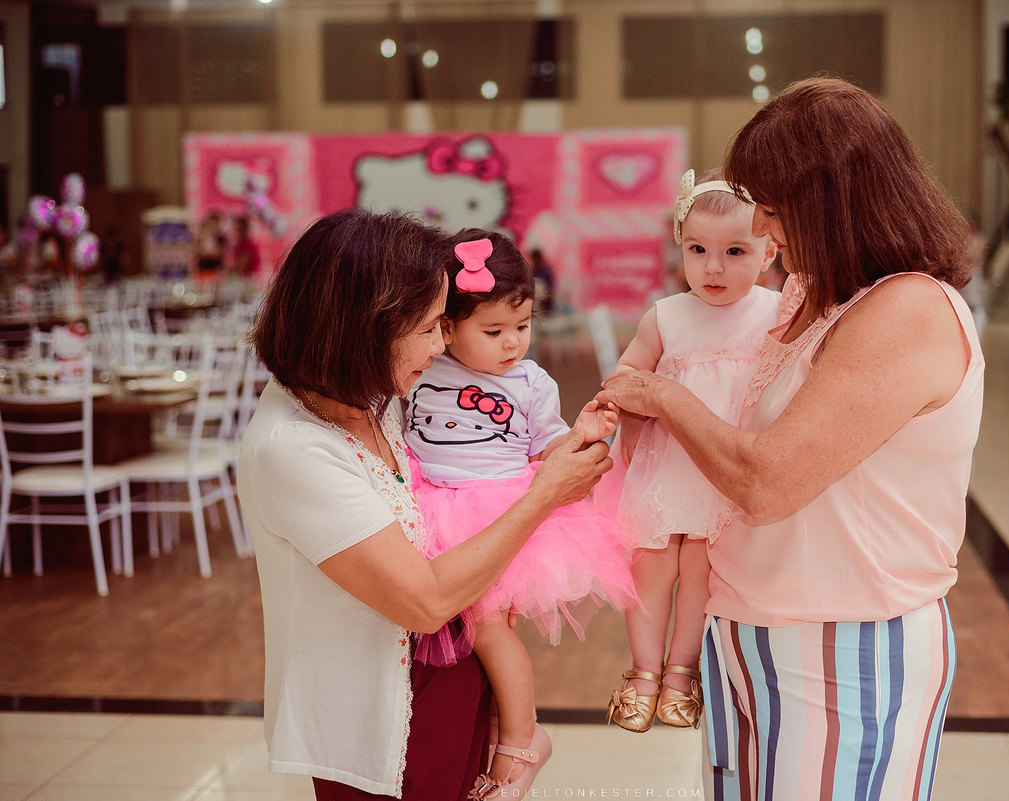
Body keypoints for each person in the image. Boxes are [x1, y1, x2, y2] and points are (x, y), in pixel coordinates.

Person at [596, 77, 984, 801]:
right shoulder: (809, 295)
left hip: (841, 647)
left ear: (831, 201)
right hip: (745, 631)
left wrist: (664, 395)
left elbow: (766, 481)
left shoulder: (907, 309)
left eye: (773, 209)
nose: (763, 229)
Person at [238, 209, 613, 801]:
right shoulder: (295, 446)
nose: (442, 345)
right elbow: (425, 601)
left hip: (451, 681)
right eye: (431, 326)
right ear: (366, 326)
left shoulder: (378, 395)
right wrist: (545, 494)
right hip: (376, 721)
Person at [402, 228, 637, 799]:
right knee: (445, 636)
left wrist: (582, 435)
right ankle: (479, 733)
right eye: (494, 331)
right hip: (428, 511)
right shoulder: (422, 369)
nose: (512, 343)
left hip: (497, 515)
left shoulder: (531, 382)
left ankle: (521, 738)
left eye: (523, 326)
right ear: (446, 328)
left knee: (487, 630)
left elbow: (546, 454)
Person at [602, 168, 779, 733]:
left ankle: (681, 670)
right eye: (698, 250)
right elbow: (628, 373)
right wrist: (631, 415)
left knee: (702, 569)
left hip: (724, 464)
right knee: (651, 564)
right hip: (666, 463)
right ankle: (642, 672)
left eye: (734, 252)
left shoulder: (777, 313)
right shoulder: (667, 315)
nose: (713, 268)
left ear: (769, 252)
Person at [194, 211, 226, 278]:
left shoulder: (221, 238)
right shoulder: (200, 238)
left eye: (216, 224)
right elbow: (197, 253)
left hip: (216, 270)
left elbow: (220, 254)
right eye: (212, 223)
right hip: (203, 270)